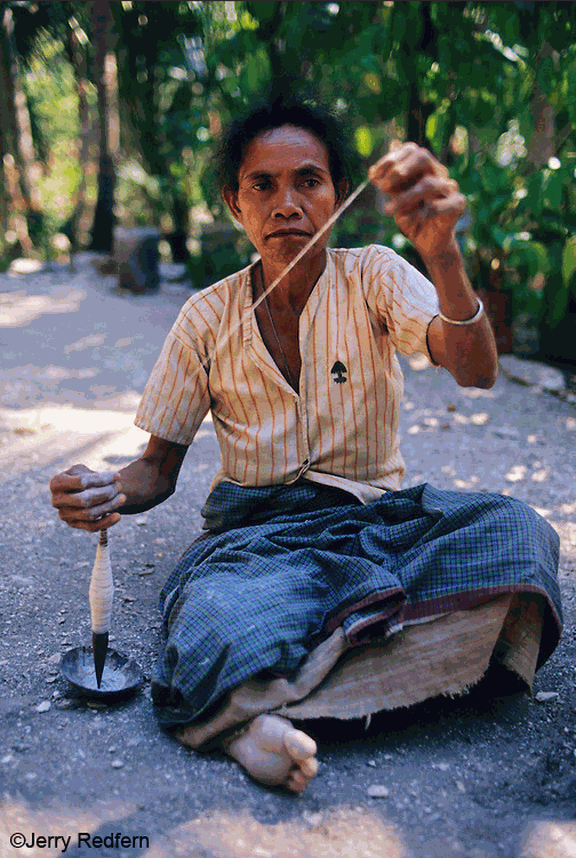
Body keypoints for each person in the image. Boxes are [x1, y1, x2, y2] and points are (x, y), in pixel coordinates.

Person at [50, 94, 561, 794]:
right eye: (262, 185)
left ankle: (256, 704)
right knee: (210, 611)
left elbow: (475, 369)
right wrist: (105, 488)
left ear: (338, 194)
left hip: (379, 524)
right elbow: (155, 471)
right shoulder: (204, 318)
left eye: (308, 181)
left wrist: (442, 253)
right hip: (255, 542)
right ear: (235, 204)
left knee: (518, 533)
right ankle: (365, 677)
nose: (286, 204)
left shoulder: (375, 275)